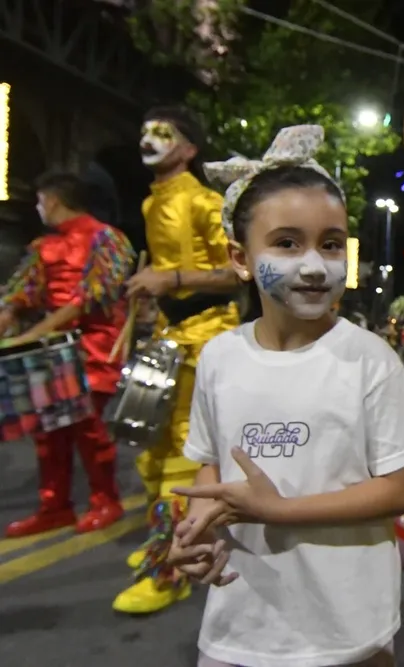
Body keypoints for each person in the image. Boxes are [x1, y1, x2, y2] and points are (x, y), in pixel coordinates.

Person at [166, 125, 404, 667]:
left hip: (346, 626)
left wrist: (281, 511)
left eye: (331, 243)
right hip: (241, 619)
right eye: (287, 243)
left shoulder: (369, 359)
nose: (315, 264)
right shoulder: (219, 358)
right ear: (240, 258)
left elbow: (399, 489)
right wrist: (197, 531)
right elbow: (211, 468)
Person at [112, 105, 241, 615]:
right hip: (169, 335)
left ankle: (173, 567)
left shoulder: (206, 202)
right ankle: (164, 540)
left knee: (182, 453)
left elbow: (237, 269)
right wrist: (153, 296)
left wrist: (174, 280)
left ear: (188, 149)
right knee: (149, 444)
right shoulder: (152, 205)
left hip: (206, 336)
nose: (148, 139)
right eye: (144, 130)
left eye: (162, 133)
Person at [0, 171, 134, 537]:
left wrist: (33, 334)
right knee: (48, 431)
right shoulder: (43, 247)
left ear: (54, 200)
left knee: (89, 429)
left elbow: (88, 299)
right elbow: (18, 296)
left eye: (41, 201)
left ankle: (106, 500)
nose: (39, 208)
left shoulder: (107, 239)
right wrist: (9, 318)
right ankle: (54, 506)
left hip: (93, 347)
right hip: (51, 351)